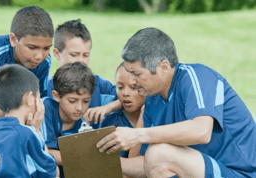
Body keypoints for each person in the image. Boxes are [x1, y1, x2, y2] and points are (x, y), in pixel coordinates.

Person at [97, 27, 256, 178]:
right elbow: (148, 165)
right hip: (203, 170)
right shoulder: (152, 100)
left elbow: (201, 131)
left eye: (136, 74)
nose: (132, 80)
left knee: (158, 153)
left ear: (163, 67)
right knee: (155, 155)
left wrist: (138, 135)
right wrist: (95, 163)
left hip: (240, 173)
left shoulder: (198, 77)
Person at [0, 64, 58, 177]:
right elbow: (52, 173)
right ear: (30, 99)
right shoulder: (28, 134)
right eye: (38, 97)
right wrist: (37, 130)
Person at [47, 19, 121, 127]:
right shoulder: (46, 89)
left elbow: (133, 98)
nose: (81, 61)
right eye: (74, 55)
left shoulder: (99, 85)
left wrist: (108, 107)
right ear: (57, 54)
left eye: (85, 55)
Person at [40, 62, 95, 177]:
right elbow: (45, 153)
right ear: (56, 96)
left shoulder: (83, 127)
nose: (80, 108)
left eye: (86, 101)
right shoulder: (46, 108)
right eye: (72, 101)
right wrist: (82, 159)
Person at [101, 62, 145, 178]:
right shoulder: (111, 122)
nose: (125, 93)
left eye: (133, 87)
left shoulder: (157, 118)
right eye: (120, 87)